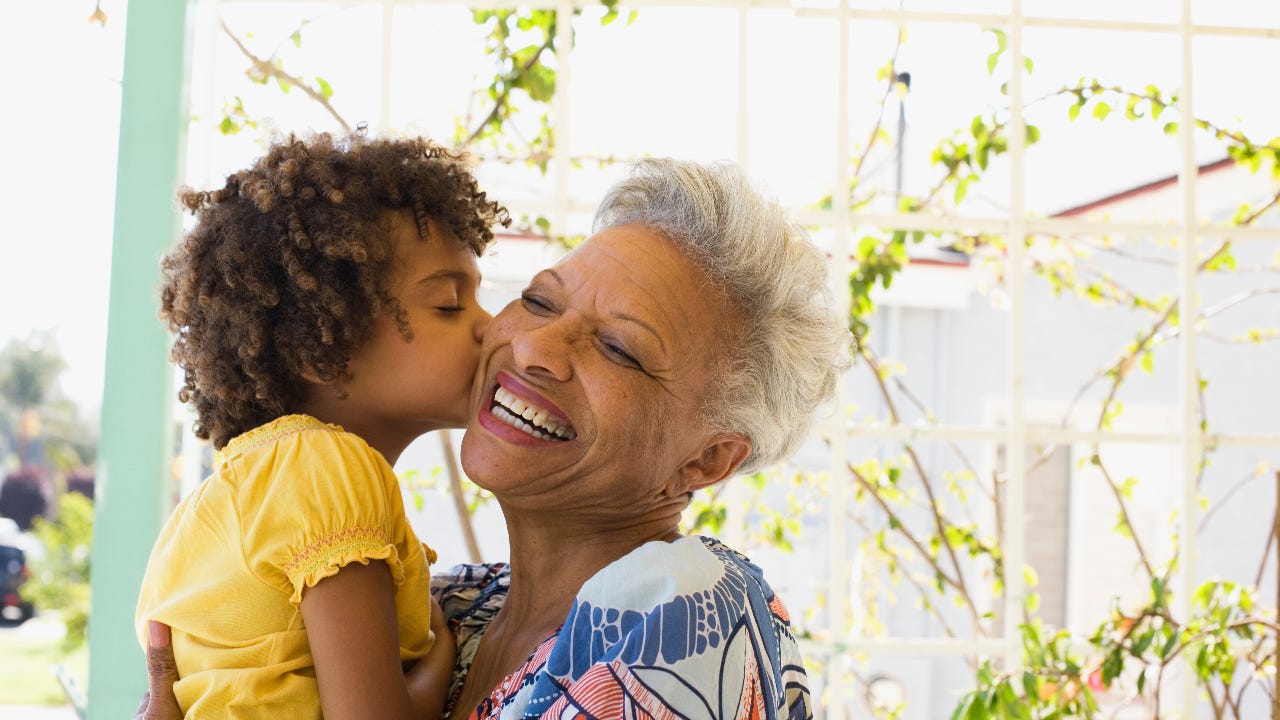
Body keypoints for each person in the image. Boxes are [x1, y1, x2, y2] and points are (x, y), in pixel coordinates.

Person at [138, 158, 846, 719]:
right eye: (539, 299)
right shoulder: (447, 605)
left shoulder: (680, 613)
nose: (534, 346)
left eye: (620, 349)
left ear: (707, 458)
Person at [134, 132, 508, 719]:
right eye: (447, 305)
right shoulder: (330, 469)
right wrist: (439, 675)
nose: (491, 327)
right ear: (324, 349)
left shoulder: (222, 501)